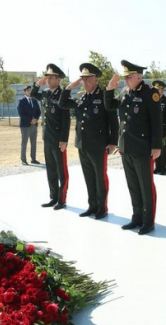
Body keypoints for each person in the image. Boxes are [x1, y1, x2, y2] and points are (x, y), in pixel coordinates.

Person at [105, 61, 163, 235]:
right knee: (133, 185)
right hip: (126, 147)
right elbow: (109, 106)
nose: (126, 79)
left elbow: (156, 121)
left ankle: (148, 221)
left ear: (139, 76)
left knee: (146, 186)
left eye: (129, 76)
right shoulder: (124, 92)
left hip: (143, 147)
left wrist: (156, 146)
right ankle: (137, 216)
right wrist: (109, 89)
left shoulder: (150, 93)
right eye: (125, 77)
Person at [59, 63, 119, 219]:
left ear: (96, 78)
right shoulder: (81, 96)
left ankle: (102, 208)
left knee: (100, 177)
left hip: (99, 144)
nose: (84, 82)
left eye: (87, 79)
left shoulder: (104, 95)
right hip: (82, 144)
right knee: (88, 177)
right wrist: (69, 87)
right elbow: (62, 103)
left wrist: (113, 142)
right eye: (82, 79)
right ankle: (92, 206)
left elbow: (114, 121)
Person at [31, 64, 71, 210]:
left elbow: (66, 120)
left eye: (51, 77)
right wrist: (37, 84)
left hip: (58, 139)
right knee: (51, 169)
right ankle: (53, 197)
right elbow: (34, 94)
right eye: (47, 77)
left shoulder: (62, 95)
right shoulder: (46, 93)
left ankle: (62, 199)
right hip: (47, 137)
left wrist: (64, 140)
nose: (48, 80)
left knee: (62, 170)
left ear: (58, 79)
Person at [152, 80, 166, 175]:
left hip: (163, 129)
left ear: (162, 90)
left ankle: (163, 168)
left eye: (159, 89)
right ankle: (157, 167)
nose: (157, 91)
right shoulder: (151, 99)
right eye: (156, 89)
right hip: (153, 130)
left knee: (163, 149)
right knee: (155, 147)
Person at [17, 86, 41, 165]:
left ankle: (33, 158)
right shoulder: (21, 101)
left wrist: (36, 119)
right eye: (28, 90)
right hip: (25, 125)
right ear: (24, 91)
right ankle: (23, 159)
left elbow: (38, 111)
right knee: (24, 142)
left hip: (34, 125)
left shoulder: (34, 101)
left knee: (33, 142)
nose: (29, 92)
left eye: (30, 90)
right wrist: (30, 120)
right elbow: (21, 113)